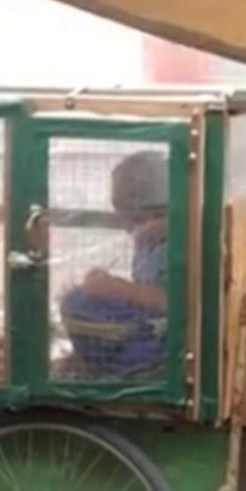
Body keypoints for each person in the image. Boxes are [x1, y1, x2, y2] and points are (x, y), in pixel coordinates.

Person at [59, 150, 169, 378]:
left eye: (143, 218)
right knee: (76, 300)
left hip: (168, 343)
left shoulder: (189, 240)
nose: (133, 228)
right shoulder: (149, 243)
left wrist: (118, 289)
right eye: (132, 219)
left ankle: (127, 372)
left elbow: (183, 306)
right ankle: (91, 360)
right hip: (148, 323)